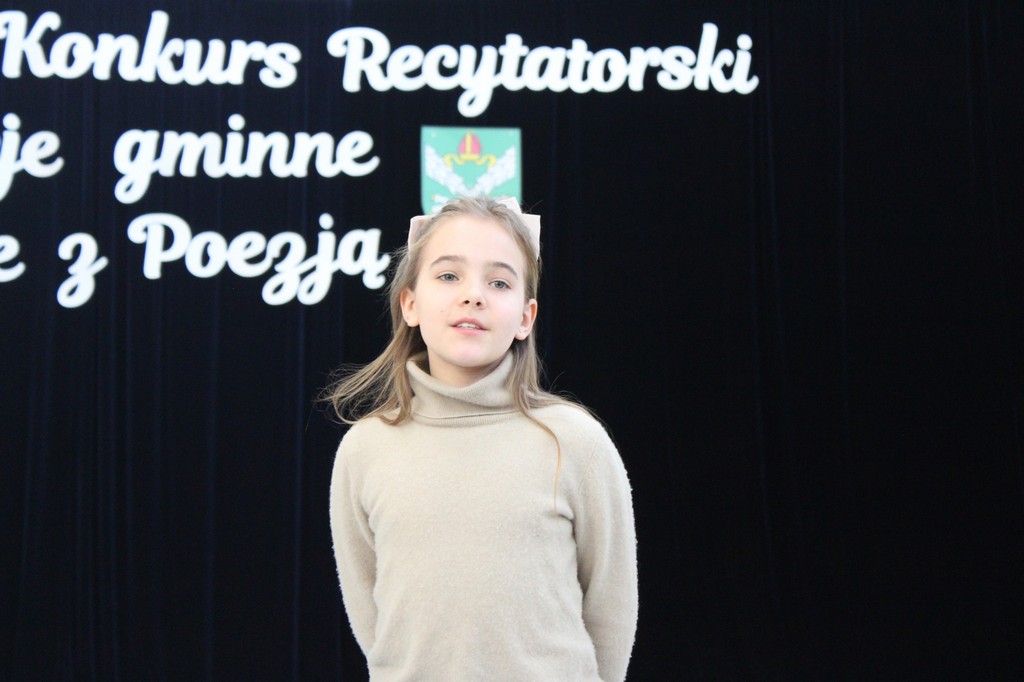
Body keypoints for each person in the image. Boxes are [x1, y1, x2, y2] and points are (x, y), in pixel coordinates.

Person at [326, 195, 638, 681]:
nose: (473, 295)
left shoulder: (576, 443)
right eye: (449, 276)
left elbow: (610, 607)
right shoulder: (366, 448)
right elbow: (372, 615)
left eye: (499, 282)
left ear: (525, 318)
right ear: (410, 303)